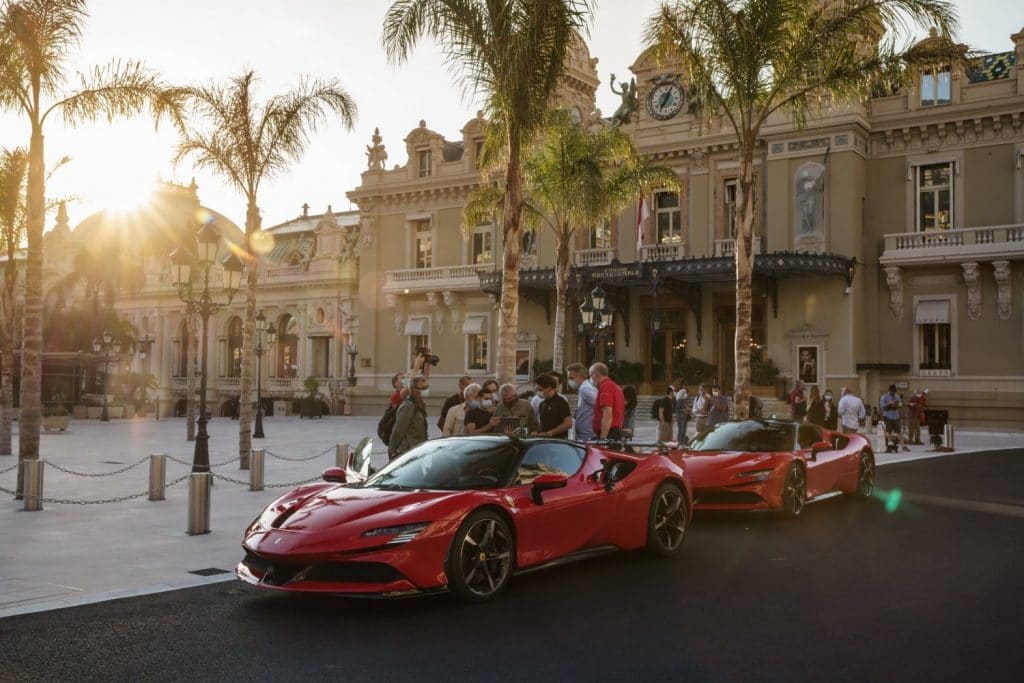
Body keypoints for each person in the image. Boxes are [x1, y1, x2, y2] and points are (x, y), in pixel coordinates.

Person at [389, 375, 429, 460]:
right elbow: (398, 431)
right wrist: (392, 451)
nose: (425, 390)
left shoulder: (419, 404)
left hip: (418, 450)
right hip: (408, 452)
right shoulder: (408, 406)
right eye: (422, 388)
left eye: (426, 387)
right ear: (413, 389)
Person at [589, 362, 625, 440]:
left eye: (590, 375)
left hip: (610, 433)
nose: (590, 378)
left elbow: (607, 414)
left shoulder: (606, 386)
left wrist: (603, 438)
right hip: (613, 431)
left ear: (596, 375)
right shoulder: (615, 386)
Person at [566, 362, 597, 442]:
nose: (569, 381)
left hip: (587, 435)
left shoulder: (585, 389)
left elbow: (599, 406)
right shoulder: (584, 388)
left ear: (580, 377)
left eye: (571, 378)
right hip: (584, 433)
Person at [535, 374, 572, 438]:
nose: (538, 392)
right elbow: (542, 424)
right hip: (544, 441)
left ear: (549, 387)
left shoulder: (561, 402)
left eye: (540, 389)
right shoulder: (542, 403)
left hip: (558, 442)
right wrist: (537, 432)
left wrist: (549, 433)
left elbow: (568, 424)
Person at [879, 384, 909, 452]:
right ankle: (890, 444)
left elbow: (900, 404)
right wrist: (889, 403)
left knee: (899, 431)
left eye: (894, 392)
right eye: (892, 392)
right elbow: (882, 406)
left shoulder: (896, 396)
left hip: (896, 416)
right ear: (889, 391)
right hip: (888, 416)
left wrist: (898, 404)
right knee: (888, 431)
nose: (893, 393)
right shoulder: (884, 397)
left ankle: (903, 446)